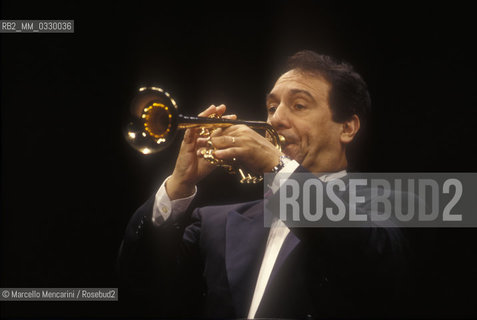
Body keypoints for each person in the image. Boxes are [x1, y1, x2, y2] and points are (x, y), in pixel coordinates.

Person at [118, 50, 408, 319]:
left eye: (298, 105)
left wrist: (278, 167)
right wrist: (178, 186)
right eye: (272, 106)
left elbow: (369, 258)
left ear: (347, 127)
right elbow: (142, 281)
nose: (277, 118)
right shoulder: (213, 223)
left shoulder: (389, 203)